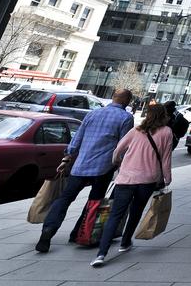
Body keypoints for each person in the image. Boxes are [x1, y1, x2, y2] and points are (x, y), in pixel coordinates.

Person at [36, 88, 135, 253]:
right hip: (103, 167)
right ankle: (79, 233)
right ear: (127, 101)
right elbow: (122, 147)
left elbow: (77, 138)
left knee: (65, 198)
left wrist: (66, 159)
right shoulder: (126, 118)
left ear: (113, 98)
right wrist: (121, 165)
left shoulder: (92, 114)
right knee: (94, 202)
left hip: (80, 165)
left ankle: (48, 231)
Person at [91, 104, 173, 267]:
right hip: (148, 180)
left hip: (126, 179)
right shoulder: (166, 132)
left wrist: (118, 163)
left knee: (115, 215)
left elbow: (117, 150)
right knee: (136, 211)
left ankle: (101, 253)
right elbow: (165, 158)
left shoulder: (136, 130)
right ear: (163, 115)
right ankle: (125, 242)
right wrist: (167, 178)